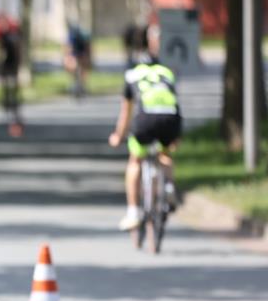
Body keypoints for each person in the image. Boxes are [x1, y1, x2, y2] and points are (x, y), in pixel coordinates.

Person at [108, 25, 182, 231]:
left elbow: (126, 112)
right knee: (165, 153)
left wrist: (118, 135)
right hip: (171, 119)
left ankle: (133, 211)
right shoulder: (167, 73)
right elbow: (176, 102)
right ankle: (168, 186)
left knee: (135, 160)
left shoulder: (132, 75)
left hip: (146, 121)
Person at [0, 17, 23, 136]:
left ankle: (13, 111)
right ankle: (10, 110)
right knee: (10, 90)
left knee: (11, 90)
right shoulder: (9, 36)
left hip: (10, 66)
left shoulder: (8, 37)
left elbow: (3, 53)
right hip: (10, 66)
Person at [65, 23, 91, 98]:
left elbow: (68, 48)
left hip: (78, 53)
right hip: (80, 53)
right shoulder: (82, 35)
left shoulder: (72, 36)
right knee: (81, 69)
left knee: (76, 69)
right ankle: (81, 85)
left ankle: (79, 85)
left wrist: (67, 57)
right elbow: (87, 47)